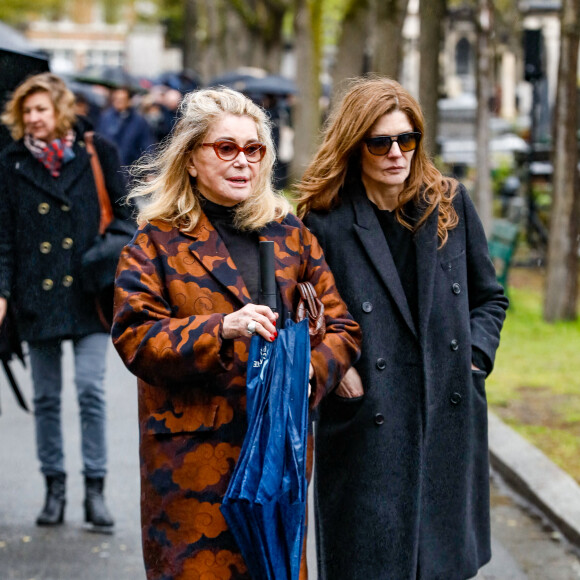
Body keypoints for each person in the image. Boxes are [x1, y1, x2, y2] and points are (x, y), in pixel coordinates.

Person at [111, 87, 361, 580]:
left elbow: (342, 327)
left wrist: (304, 373)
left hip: (277, 462)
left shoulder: (289, 234)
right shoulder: (156, 241)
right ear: (191, 159)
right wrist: (221, 328)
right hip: (192, 470)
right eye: (226, 148)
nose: (243, 161)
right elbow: (136, 338)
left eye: (254, 149)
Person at [296, 76, 509, 580]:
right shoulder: (324, 221)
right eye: (380, 142)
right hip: (369, 421)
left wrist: (473, 357)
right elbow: (303, 313)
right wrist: (336, 367)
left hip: (446, 412)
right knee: (370, 563)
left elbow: (490, 298)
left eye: (407, 139)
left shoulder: (449, 204)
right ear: (355, 145)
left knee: (442, 564)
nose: (397, 153)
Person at [0, 73, 128, 532]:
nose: (33, 119)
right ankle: (55, 488)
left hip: (89, 292)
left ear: (60, 110)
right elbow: (4, 238)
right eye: (26, 112)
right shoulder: (11, 162)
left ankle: (96, 491)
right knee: (46, 398)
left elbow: (128, 216)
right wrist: (3, 293)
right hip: (37, 295)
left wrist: (105, 253)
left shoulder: (98, 152)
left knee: (91, 392)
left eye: (41, 110)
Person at [97, 85, 154, 169]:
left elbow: (147, 145)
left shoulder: (139, 121)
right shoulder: (105, 118)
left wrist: (149, 169)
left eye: (122, 99)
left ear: (129, 100)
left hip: (131, 168)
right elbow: (100, 140)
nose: (118, 102)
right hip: (109, 167)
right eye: (116, 99)